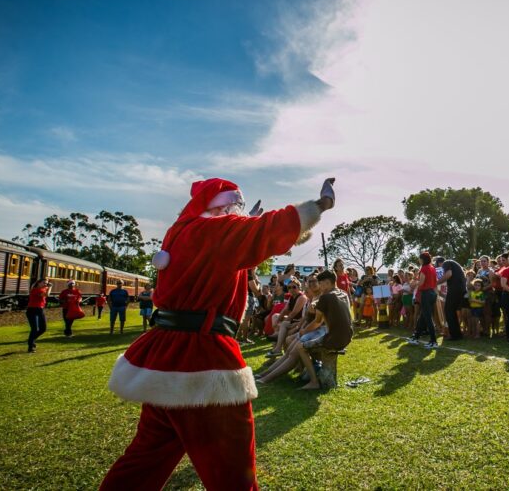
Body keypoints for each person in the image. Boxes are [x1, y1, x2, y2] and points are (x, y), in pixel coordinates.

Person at [101, 176, 335, 490]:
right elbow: (264, 231)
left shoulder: (183, 232)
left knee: (145, 460)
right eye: (234, 207)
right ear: (223, 208)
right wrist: (320, 206)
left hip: (166, 354)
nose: (237, 214)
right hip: (204, 357)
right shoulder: (212, 231)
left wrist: (243, 222)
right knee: (234, 473)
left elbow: (232, 246)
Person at [258, 270, 354, 389]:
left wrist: (303, 331)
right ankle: (266, 375)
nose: (319, 285)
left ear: (327, 283)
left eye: (320, 283)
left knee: (299, 347)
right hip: (347, 336)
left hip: (333, 338)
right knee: (293, 348)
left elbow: (317, 322)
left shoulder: (325, 297)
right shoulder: (343, 293)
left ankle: (313, 382)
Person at [408, 252, 439, 349]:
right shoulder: (432, 267)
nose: (418, 260)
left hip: (426, 293)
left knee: (428, 318)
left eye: (419, 258)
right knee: (423, 316)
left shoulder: (424, 268)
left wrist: (414, 283)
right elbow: (434, 281)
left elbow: (421, 282)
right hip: (432, 293)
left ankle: (433, 341)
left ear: (422, 259)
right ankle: (415, 337)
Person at [435, 256, 468, 341]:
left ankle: (454, 335)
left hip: (455, 288)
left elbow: (449, 274)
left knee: (448, 310)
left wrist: (436, 283)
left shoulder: (446, 263)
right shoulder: (454, 264)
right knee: (452, 311)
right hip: (460, 288)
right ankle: (457, 334)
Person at [26, 279, 51, 353]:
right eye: (44, 283)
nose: (45, 285)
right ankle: (30, 347)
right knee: (35, 329)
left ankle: (31, 341)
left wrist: (47, 286)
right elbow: (46, 295)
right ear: (39, 283)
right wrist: (50, 287)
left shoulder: (44, 288)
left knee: (43, 329)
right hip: (32, 310)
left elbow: (46, 289)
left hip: (40, 310)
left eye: (46, 283)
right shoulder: (35, 290)